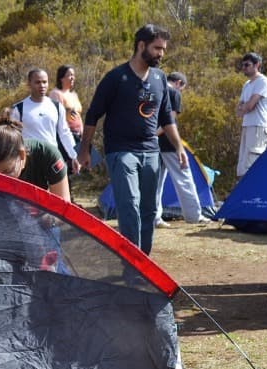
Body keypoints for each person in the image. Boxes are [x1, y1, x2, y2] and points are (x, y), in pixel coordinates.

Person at [78, 24, 187, 255]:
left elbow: (167, 117)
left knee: (149, 209)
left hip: (151, 150)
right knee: (130, 205)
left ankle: (143, 261)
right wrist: (84, 150)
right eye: (157, 48)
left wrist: (178, 147)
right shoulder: (116, 77)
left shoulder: (159, 78)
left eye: (163, 49)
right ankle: (132, 262)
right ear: (141, 45)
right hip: (121, 150)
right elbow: (93, 114)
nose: (161, 54)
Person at [154, 72, 210, 227]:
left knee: (156, 182)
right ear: (178, 83)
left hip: (154, 145)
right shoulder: (173, 93)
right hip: (170, 142)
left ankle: (154, 217)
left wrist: (150, 136)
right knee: (184, 179)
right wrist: (156, 134)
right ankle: (194, 215)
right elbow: (169, 120)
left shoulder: (155, 89)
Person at [0, 110, 71, 202]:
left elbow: (63, 206)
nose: (2, 180)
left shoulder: (47, 155)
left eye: (7, 171)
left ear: (22, 155)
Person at [10, 68, 80, 175]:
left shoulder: (57, 107)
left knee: (56, 191)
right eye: (37, 82)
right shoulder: (18, 109)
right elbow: (13, 137)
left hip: (53, 158)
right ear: (29, 84)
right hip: (29, 161)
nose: (42, 86)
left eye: (44, 82)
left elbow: (65, 133)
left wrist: (74, 156)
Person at [235, 52, 267, 179]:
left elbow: (250, 105)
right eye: (243, 65)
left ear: (257, 65)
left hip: (259, 125)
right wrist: (245, 106)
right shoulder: (247, 84)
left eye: (247, 65)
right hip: (247, 125)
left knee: (252, 162)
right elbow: (239, 110)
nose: (244, 68)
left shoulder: (263, 81)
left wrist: (245, 106)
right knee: (243, 164)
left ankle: (254, 196)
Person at [49, 64, 84, 146]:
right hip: (66, 137)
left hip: (79, 135)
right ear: (61, 78)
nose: (72, 78)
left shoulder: (74, 95)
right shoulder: (56, 94)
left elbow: (78, 115)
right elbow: (56, 117)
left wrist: (82, 132)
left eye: (73, 75)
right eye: (69, 75)